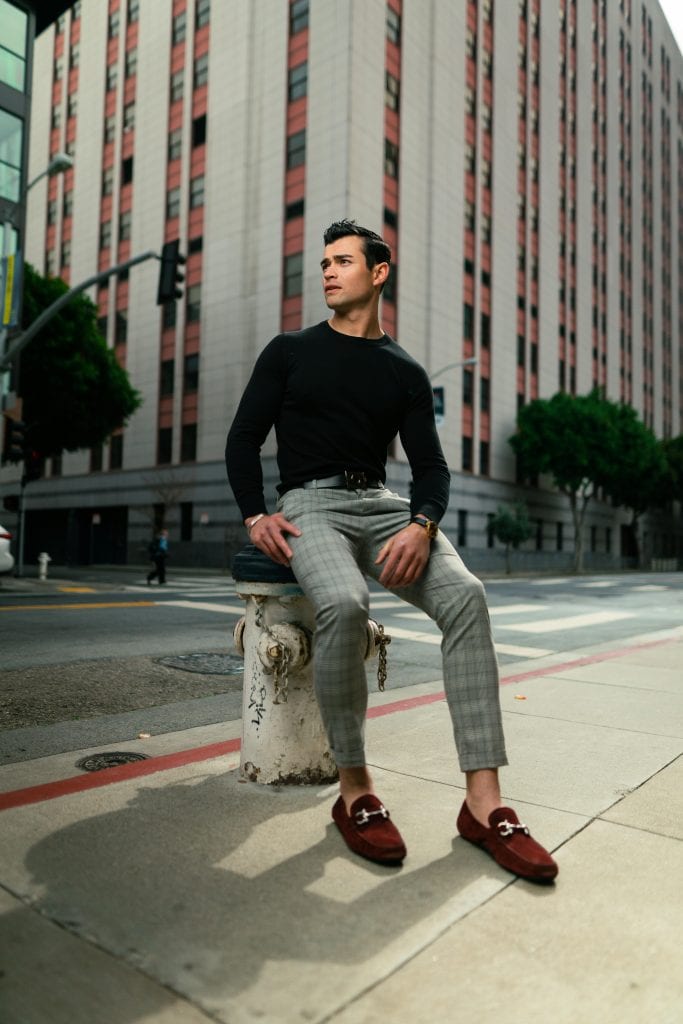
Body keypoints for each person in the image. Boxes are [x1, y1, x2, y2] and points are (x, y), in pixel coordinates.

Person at [225, 219, 557, 882]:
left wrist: (421, 525)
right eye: (324, 261)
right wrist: (255, 515)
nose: (326, 271)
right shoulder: (288, 351)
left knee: (465, 594)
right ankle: (355, 790)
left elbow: (430, 470)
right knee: (345, 605)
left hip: (379, 505)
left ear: (378, 272)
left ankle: (483, 804)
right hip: (307, 506)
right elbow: (242, 440)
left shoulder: (402, 370)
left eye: (342, 261)